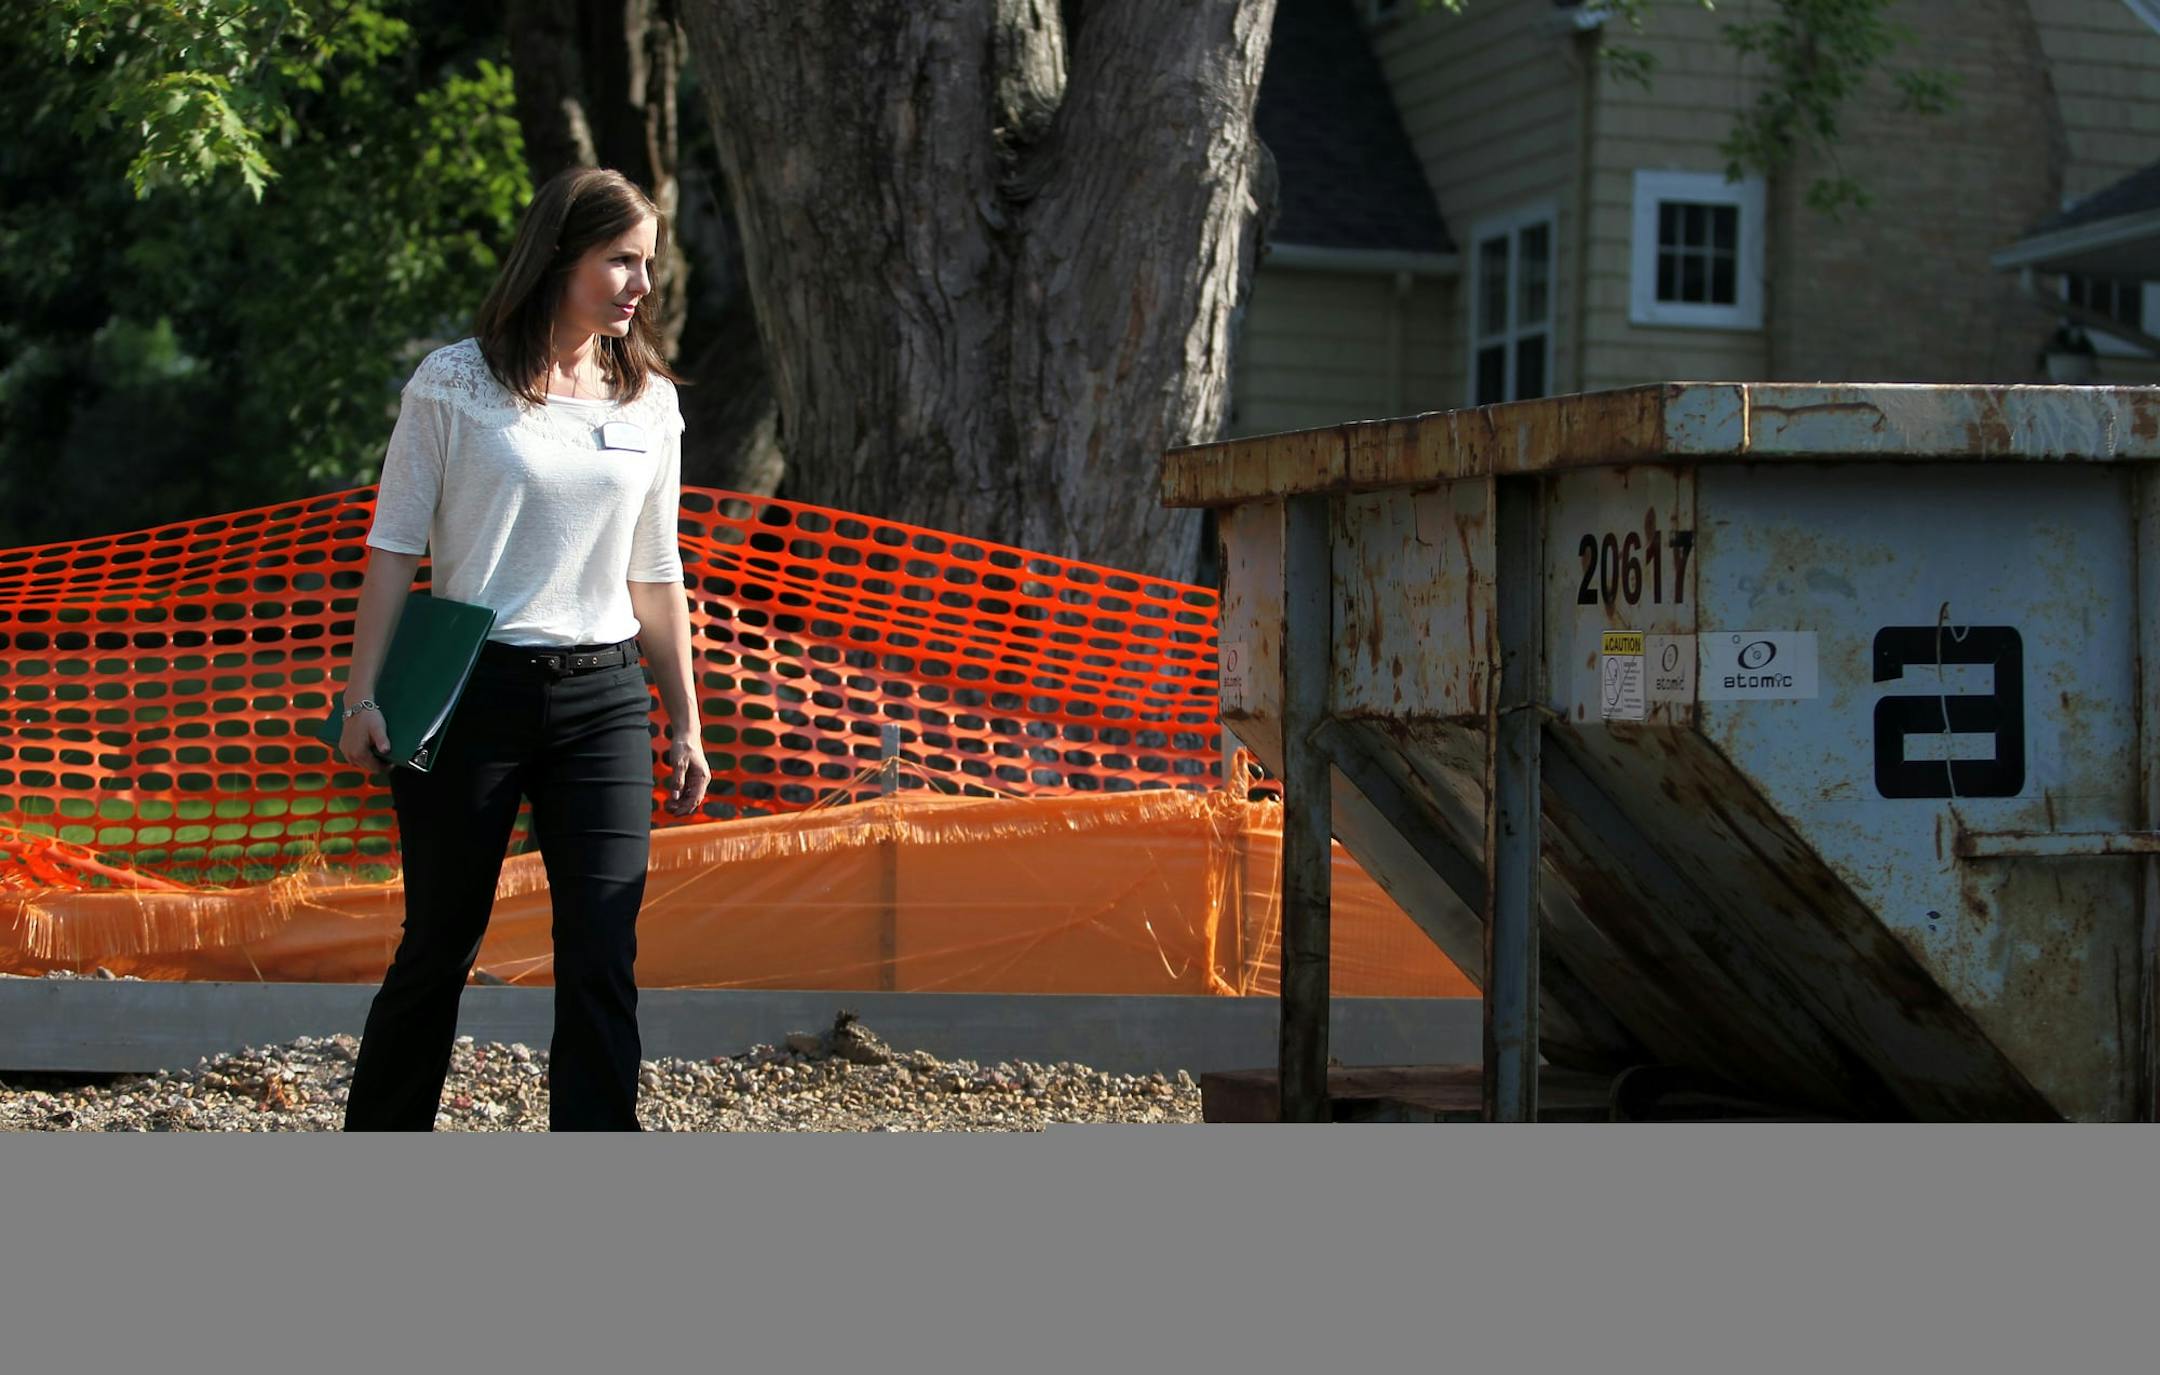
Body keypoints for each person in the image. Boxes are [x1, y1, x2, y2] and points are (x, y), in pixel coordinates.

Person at [335, 166, 711, 1131]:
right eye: (620, 260)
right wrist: (360, 697)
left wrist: (686, 722)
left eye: (648, 265)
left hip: (605, 698)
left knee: (601, 950)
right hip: (473, 698)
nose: (640, 284)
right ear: (559, 255)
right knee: (440, 944)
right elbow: (392, 548)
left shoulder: (651, 402)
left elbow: (656, 568)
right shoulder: (455, 383)